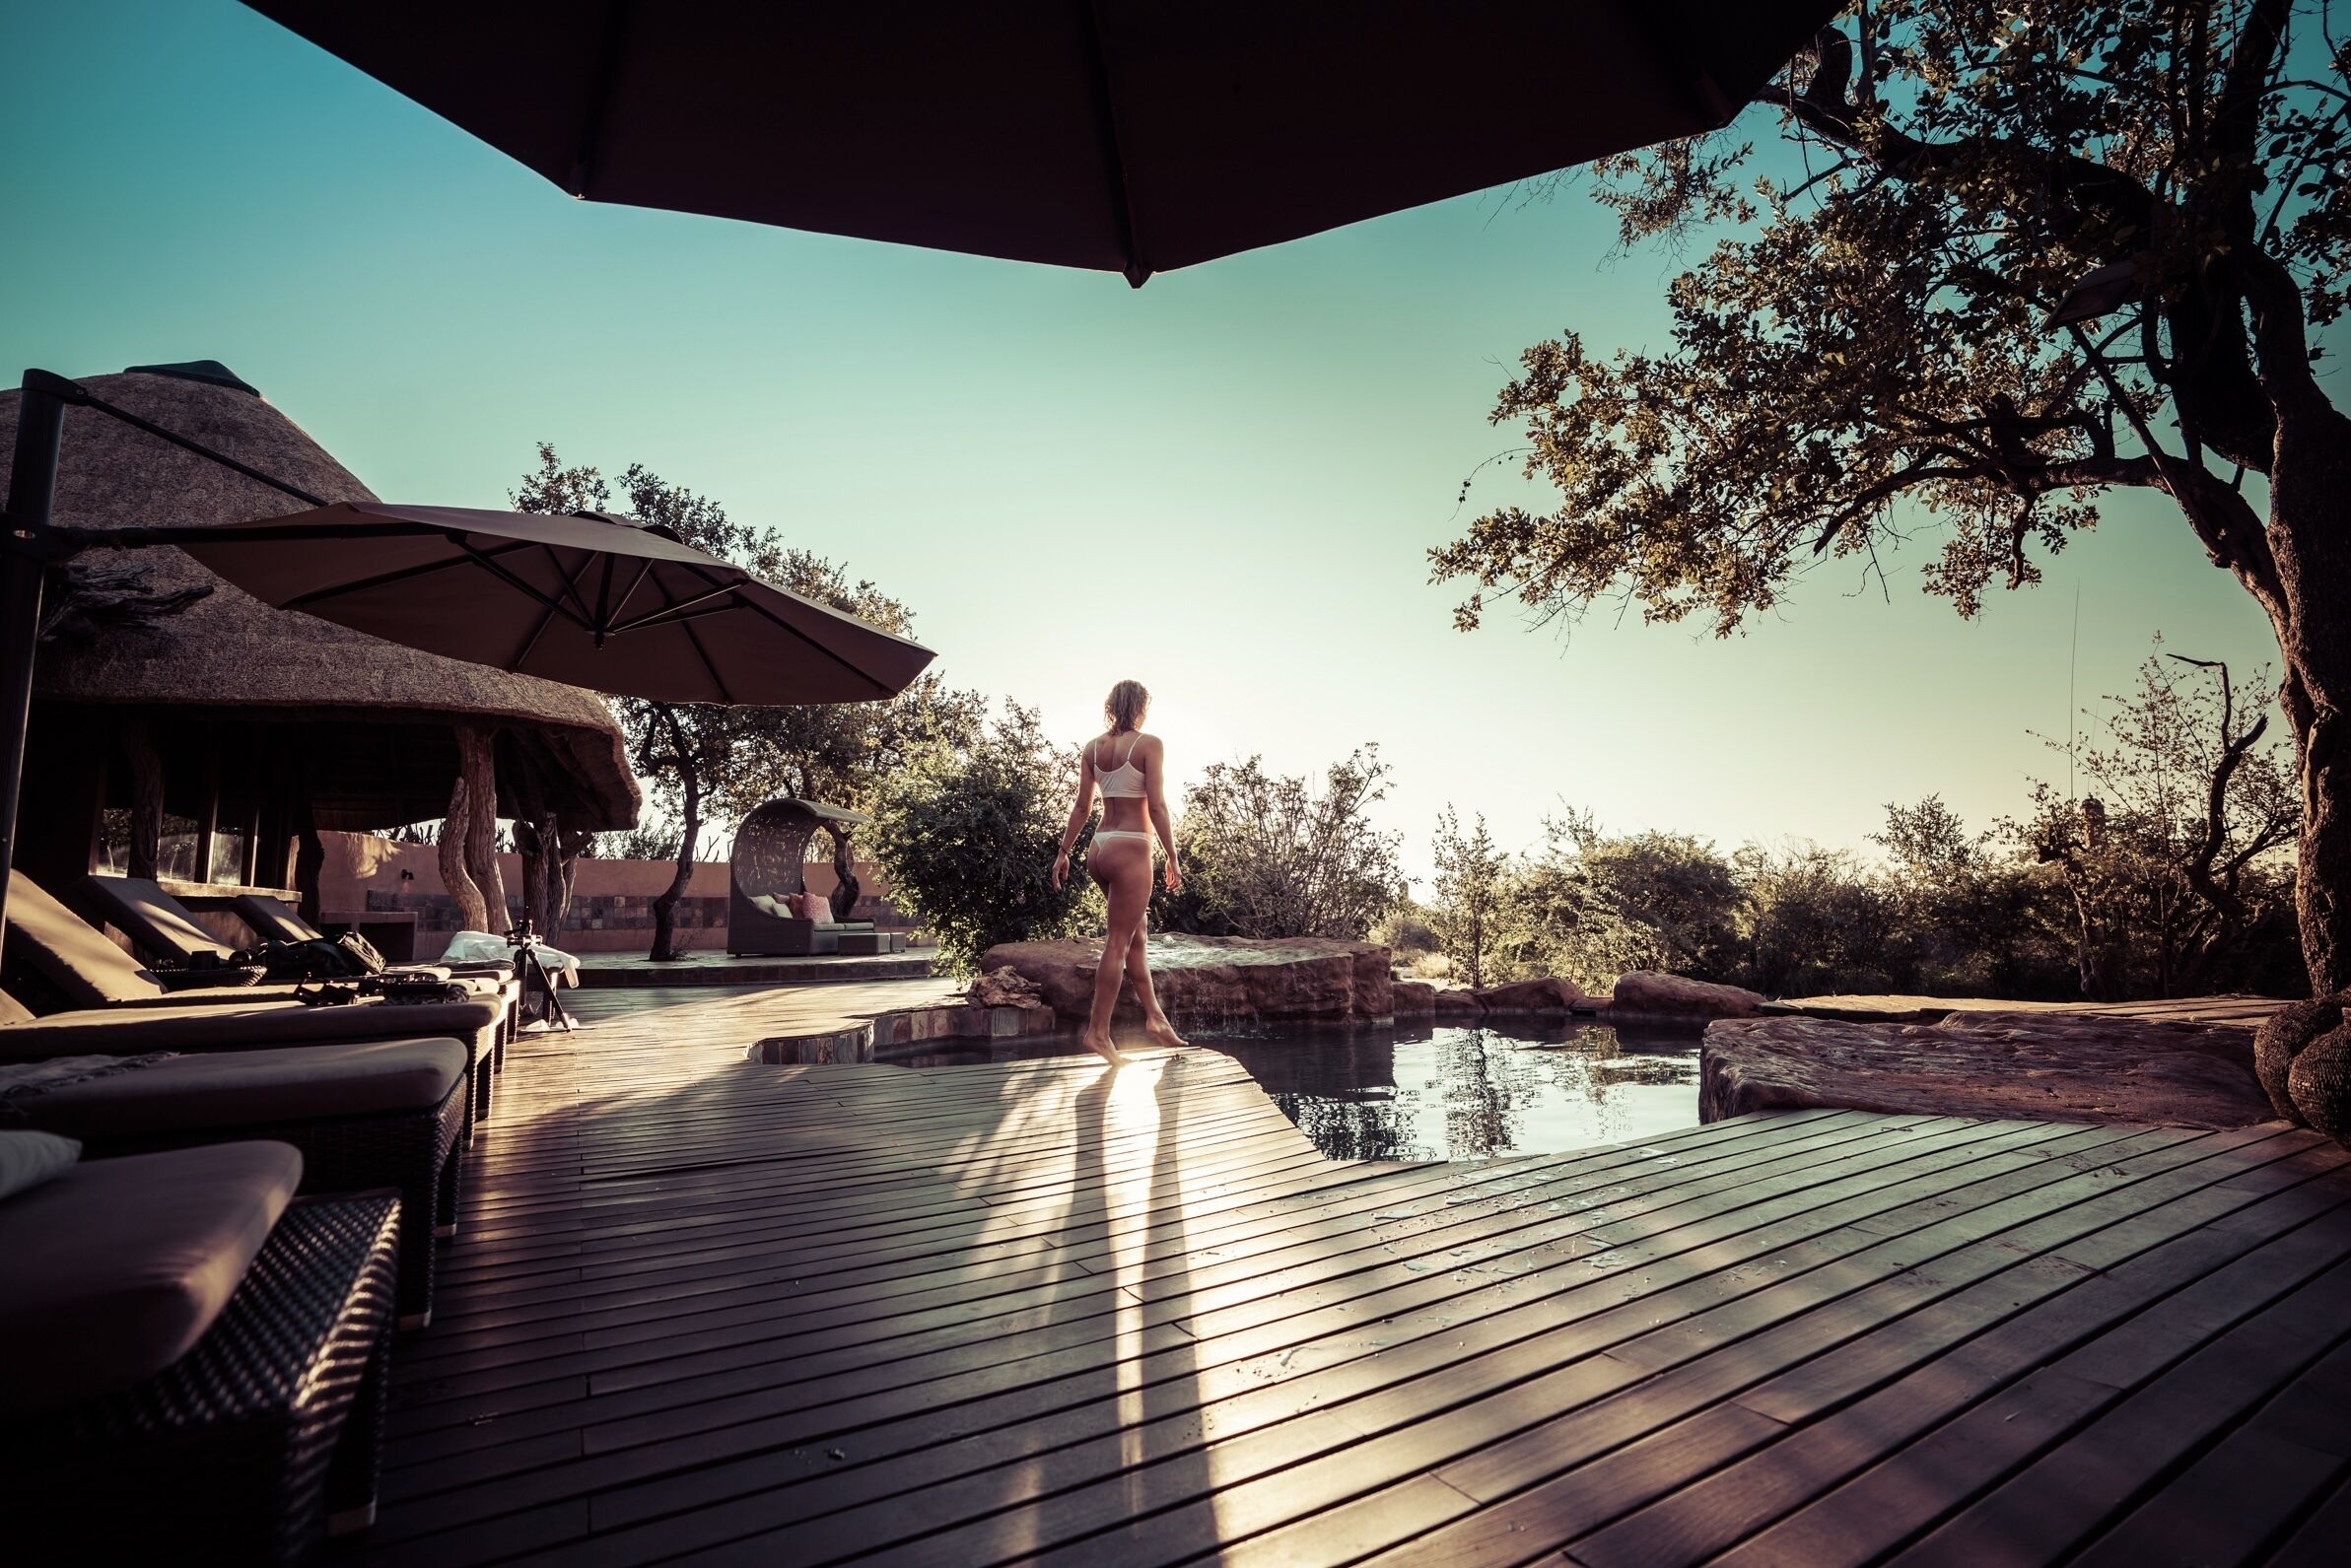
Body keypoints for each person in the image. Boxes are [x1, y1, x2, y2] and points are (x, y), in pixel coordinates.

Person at [1052, 680, 1188, 1066]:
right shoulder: (1149, 744)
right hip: (1131, 848)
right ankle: (1097, 1032)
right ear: (1140, 707)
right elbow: (1157, 805)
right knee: (1117, 943)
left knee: (1135, 936)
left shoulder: (1092, 748)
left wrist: (1064, 853)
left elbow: (1082, 807)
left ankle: (1156, 1019)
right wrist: (1172, 855)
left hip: (1099, 848)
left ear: (1112, 706)